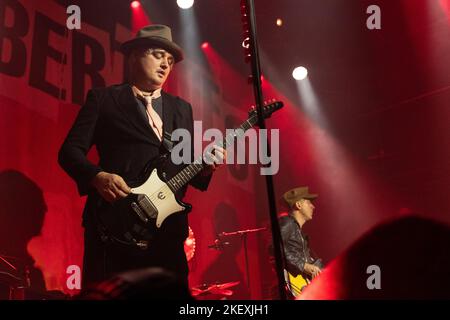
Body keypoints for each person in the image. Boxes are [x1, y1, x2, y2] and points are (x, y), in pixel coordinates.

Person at [58, 25, 225, 289]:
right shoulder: (104, 99)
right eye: (159, 55)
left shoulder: (181, 109)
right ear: (134, 55)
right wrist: (97, 177)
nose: (165, 65)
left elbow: (184, 165)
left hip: (167, 234)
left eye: (170, 61)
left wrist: (205, 168)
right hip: (115, 226)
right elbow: (69, 152)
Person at [278, 186, 323, 297]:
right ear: (298, 205)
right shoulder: (287, 223)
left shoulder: (299, 232)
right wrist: (303, 266)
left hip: (304, 284)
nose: (313, 206)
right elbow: (273, 248)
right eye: (309, 203)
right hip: (294, 286)